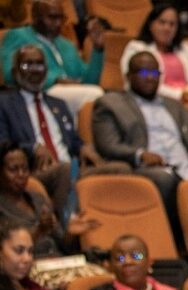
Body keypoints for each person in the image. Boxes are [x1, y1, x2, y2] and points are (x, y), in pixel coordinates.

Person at [93, 51, 188, 233]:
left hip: (187, 168)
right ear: (128, 76)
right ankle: (173, 238)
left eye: (155, 73)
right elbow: (107, 145)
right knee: (165, 179)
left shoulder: (174, 105)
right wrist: (140, 155)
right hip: (148, 169)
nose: (150, 78)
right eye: (144, 73)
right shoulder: (110, 104)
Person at [0, 45, 130, 219]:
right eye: (27, 65)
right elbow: (3, 143)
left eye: (39, 64)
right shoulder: (5, 103)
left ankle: (113, 225)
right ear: (15, 71)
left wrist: (84, 147)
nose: (35, 70)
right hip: (35, 171)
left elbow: (73, 141)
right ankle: (66, 228)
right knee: (65, 170)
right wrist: (32, 148)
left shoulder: (58, 104)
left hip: (71, 168)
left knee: (121, 168)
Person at [0, 0, 105, 115]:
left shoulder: (67, 45)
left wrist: (98, 50)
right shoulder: (18, 36)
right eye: (52, 18)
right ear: (35, 17)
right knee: (94, 95)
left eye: (61, 18)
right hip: (38, 91)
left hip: (69, 95)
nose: (58, 23)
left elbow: (90, 81)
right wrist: (55, 80)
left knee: (101, 96)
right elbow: (10, 73)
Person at [0, 142, 97, 257]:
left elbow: (63, 244)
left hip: (58, 260)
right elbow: (9, 250)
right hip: (26, 264)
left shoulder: (38, 199)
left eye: (25, 169)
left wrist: (70, 233)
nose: (21, 174)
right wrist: (39, 231)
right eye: (13, 169)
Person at [119, 4, 188, 102]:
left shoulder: (184, 48)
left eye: (172, 24)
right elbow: (140, 84)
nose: (167, 28)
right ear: (151, 25)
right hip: (153, 101)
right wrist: (179, 95)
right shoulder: (137, 48)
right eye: (162, 22)